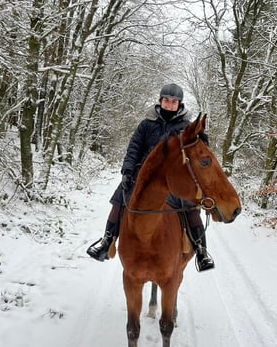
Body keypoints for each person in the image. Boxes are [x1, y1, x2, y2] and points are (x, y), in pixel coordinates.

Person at [86, 83, 215, 271]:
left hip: (173, 177)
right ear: (160, 101)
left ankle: (202, 251)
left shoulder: (185, 127)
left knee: (189, 207)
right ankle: (106, 242)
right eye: (166, 100)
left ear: (179, 104)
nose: (170, 104)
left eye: (174, 101)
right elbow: (134, 148)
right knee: (119, 200)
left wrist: (201, 137)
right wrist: (128, 171)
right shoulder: (147, 124)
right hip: (143, 176)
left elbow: (199, 147)